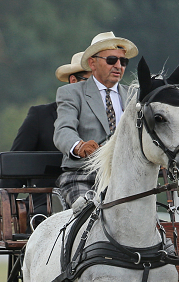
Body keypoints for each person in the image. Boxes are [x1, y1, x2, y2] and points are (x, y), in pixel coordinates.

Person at [53, 32, 138, 209]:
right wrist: (78, 146)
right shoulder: (71, 93)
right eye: (111, 60)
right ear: (92, 63)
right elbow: (63, 130)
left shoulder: (134, 96)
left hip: (125, 178)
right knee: (88, 213)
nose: (118, 66)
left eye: (123, 62)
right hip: (83, 175)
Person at [3, 52, 90, 219]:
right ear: (73, 81)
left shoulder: (110, 118)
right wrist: (7, 213)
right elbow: (15, 167)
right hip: (48, 204)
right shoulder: (39, 117)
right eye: (91, 82)